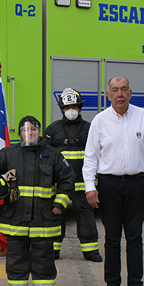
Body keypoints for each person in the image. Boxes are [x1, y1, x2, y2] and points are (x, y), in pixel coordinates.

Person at [0, 116, 73, 286]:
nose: (30, 133)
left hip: (44, 219)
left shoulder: (53, 155)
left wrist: (60, 203)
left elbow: (67, 179)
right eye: (26, 130)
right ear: (20, 133)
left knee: (44, 256)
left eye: (33, 129)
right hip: (15, 218)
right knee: (16, 256)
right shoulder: (9, 154)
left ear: (39, 131)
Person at [84, 77, 144, 286]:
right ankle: (112, 285)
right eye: (115, 90)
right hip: (109, 184)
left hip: (137, 184)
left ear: (130, 93)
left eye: (124, 90)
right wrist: (90, 187)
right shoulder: (100, 121)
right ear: (108, 95)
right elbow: (91, 157)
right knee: (112, 238)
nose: (120, 94)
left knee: (135, 237)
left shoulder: (143, 117)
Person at [44, 88, 102, 262]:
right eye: (67, 106)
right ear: (62, 108)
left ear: (80, 108)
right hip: (59, 186)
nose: (71, 110)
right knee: (55, 215)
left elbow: (99, 154)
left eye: (74, 106)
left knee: (86, 217)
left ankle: (90, 251)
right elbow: (45, 157)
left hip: (83, 184)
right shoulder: (52, 130)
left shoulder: (90, 128)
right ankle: (53, 250)